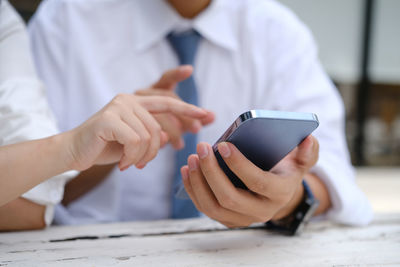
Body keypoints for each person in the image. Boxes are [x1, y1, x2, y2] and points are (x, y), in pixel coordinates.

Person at [28, 0, 373, 227]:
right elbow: (20, 192)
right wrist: (100, 150)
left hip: (240, 252)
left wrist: (289, 200)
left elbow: (333, 175)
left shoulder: (277, 31)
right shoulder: (64, 20)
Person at [0, 0, 210, 230]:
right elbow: (33, 201)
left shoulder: (255, 23)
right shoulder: (64, 16)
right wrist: (73, 148)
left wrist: (256, 203)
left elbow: (32, 201)